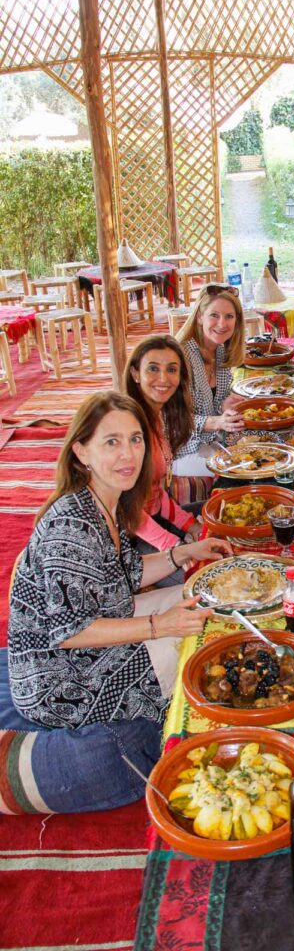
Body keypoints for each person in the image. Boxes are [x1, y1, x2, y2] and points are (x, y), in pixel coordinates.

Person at [8, 391, 231, 733]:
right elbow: (71, 631)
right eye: (111, 442)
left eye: (135, 439)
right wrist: (160, 626)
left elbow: (129, 572)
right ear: (82, 451)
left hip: (101, 622)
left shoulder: (107, 502)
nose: (128, 454)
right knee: (202, 657)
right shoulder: (71, 526)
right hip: (58, 678)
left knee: (208, 601)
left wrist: (183, 553)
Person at [125, 337, 202, 581]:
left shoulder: (156, 417)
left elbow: (155, 493)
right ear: (136, 373)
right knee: (205, 579)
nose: (163, 379)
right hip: (129, 541)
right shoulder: (129, 425)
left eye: (171, 369)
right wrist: (174, 546)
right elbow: (128, 511)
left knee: (221, 516)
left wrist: (191, 525)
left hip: (155, 519)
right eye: (153, 368)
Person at [174, 284, 246, 479]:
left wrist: (224, 404)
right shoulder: (181, 356)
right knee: (243, 470)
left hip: (209, 442)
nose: (222, 324)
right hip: (180, 450)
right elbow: (171, 419)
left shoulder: (220, 350)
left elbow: (214, 401)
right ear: (199, 317)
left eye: (229, 316)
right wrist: (215, 421)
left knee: (260, 452)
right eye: (214, 315)